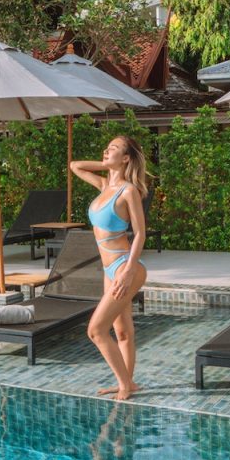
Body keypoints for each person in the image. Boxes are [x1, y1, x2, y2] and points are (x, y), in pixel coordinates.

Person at [70, 135, 149, 401]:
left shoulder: (128, 191)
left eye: (113, 148)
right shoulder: (104, 185)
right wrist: (108, 165)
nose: (106, 150)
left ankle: (124, 385)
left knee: (96, 330)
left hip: (125, 267)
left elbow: (140, 233)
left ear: (126, 158)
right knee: (122, 331)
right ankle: (128, 382)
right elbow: (75, 165)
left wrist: (127, 271)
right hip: (108, 270)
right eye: (106, 147)